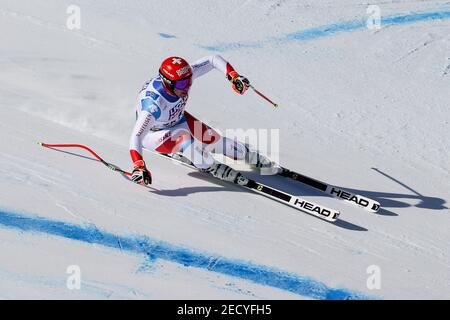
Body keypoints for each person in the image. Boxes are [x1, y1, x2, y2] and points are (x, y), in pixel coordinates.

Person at [129, 55, 276, 186]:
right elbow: (136, 136)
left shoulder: (182, 77)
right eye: (181, 84)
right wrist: (139, 165)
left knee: (219, 142)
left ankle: (246, 155)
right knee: (185, 140)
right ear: (168, 83)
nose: (186, 87)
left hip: (178, 120)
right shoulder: (153, 104)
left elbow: (212, 60)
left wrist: (233, 75)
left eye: (189, 81)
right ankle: (210, 166)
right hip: (155, 134)